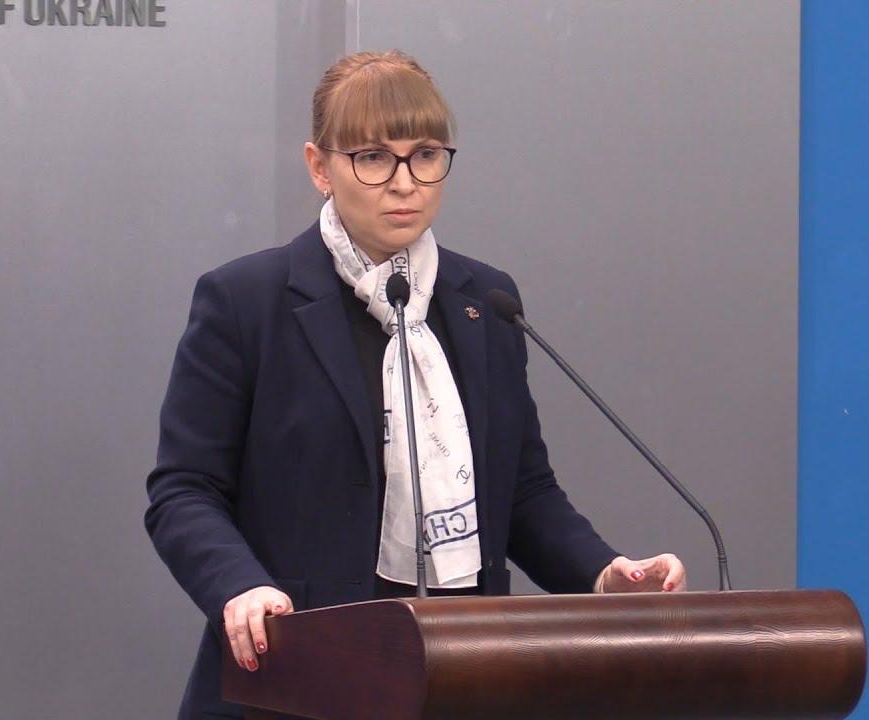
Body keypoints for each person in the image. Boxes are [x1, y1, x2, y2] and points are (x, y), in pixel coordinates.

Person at [144, 49, 687, 720]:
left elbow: (521, 492)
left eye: (425, 155)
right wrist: (240, 587)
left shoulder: (484, 301)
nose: (404, 183)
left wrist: (604, 574)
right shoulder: (246, 301)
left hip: (464, 673)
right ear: (320, 167)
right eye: (374, 157)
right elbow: (184, 491)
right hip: (295, 676)